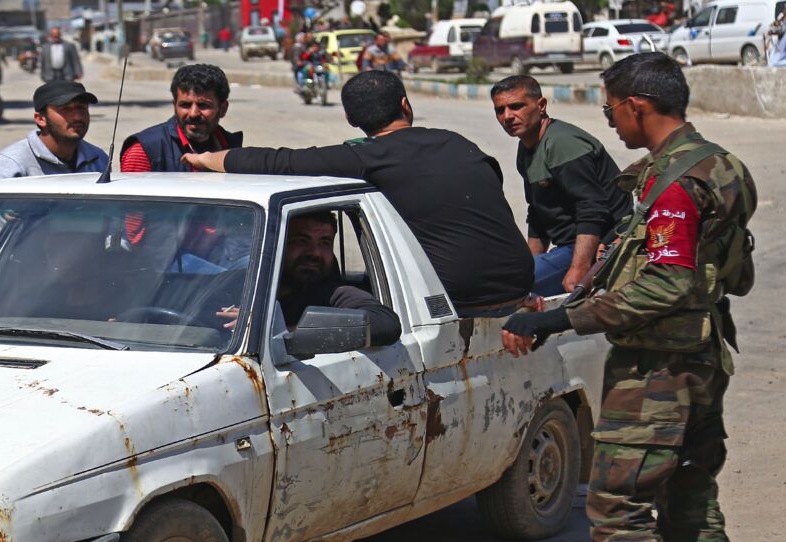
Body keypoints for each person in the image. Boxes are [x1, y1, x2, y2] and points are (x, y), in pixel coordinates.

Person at [501, 52, 757, 542]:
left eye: (613, 108)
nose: (610, 121)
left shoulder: (673, 182)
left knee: (616, 502)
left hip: (657, 370)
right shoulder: (725, 167)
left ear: (637, 106)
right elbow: (735, 274)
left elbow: (665, 283)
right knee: (691, 490)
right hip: (703, 357)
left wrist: (564, 318)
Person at [183, 71, 534, 315]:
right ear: (406, 106)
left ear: (351, 120)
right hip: (521, 285)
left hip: (459, 301)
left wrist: (211, 158)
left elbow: (284, 162)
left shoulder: (368, 157)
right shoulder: (458, 143)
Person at [491, 75, 633, 296]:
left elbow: (592, 209)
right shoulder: (527, 147)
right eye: (500, 110)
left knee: (508, 288)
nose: (507, 116)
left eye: (516, 106)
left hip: (600, 246)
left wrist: (579, 269)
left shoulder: (562, 144)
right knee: (502, 275)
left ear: (541, 106)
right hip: (569, 248)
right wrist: (531, 263)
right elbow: (538, 211)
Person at [217, 212, 401, 341]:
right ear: (273, 245)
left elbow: (385, 322)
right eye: (301, 241)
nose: (315, 253)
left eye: (324, 243)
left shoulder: (332, 294)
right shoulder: (242, 283)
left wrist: (278, 331)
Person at [0, 82, 109, 239]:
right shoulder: (11, 164)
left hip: (90, 259)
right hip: (31, 260)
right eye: (65, 109)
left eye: (81, 108)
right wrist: (6, 217)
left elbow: (112, 220)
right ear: (40, 119)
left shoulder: (98, 159)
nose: (78, 116)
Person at [120, 64, 243, 173]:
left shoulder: (231, 149)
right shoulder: (143, 152)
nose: (193, 114)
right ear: (175, 105)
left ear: (222, 109)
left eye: (203, 105)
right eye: (185, 105)